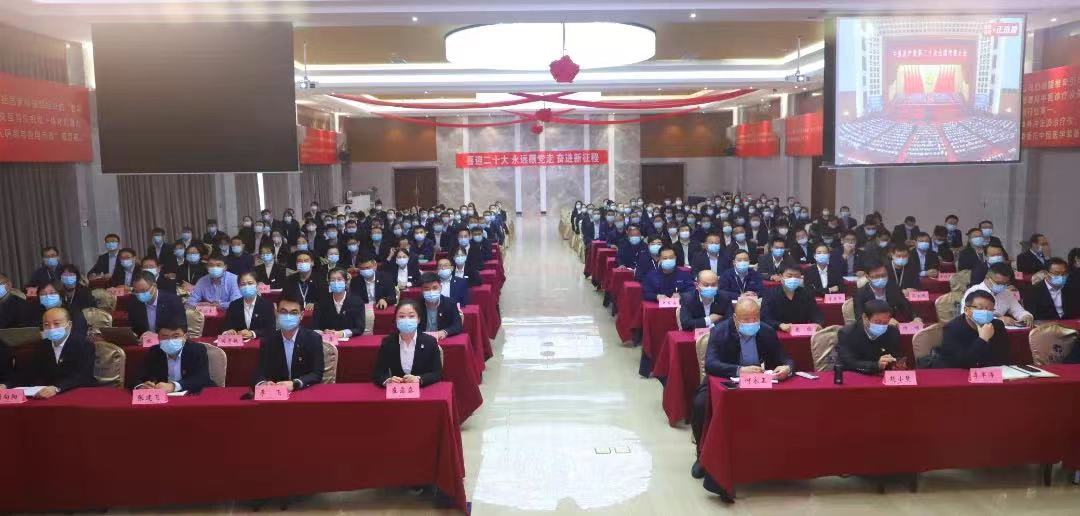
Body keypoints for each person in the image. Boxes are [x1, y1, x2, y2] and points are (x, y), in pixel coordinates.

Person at [690, 298, 793, 498]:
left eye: (755, 318)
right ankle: (703, 456)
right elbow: (711, 364)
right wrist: (739, 370)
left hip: (759, 383)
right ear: (735, 319)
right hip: (725, 382)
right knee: (700, 404)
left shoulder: (766, 331)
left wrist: (786, 368)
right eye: (746, 319)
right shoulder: (720, 331)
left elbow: (785, 358)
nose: (751, 323)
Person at [15, 307, 95, 398]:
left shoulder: (84, 345)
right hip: (46, 394)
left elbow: (83, 375)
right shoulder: (41, 346)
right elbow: (31, 373)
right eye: (46, 324)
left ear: (69, 325)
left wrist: (57, 388)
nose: (51, 328)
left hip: (76, 393)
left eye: (56, 324)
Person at [251, 294, 324, 392]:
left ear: (302, 315)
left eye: (294, 313)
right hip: (276, 394)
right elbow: (260, 372)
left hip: (303, 392)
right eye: (283, 312)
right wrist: (263, 383)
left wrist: (296, 383)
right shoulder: (268, 340)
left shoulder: (313, 339)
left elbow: (317, 373)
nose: (288, 316)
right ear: (276, 313)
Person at [373, 300, 443, 387]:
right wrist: (388, 381)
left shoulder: (430, 342)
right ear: (396, 319)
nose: (406, 320)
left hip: (423, 390)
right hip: (398, 391)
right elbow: (378, 373)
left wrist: (420, 379)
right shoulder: (388, 342)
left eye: (411, 316)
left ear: (419, 319)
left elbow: (437, 373)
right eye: (401, 316)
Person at [135, 318, 213, 394]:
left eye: (176, 336)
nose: (170, 340)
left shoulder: (197, 350)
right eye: (165, 337)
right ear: (158, 338)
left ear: (185, 336)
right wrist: (141, 386)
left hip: (192, 395)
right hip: (164, 398)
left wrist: (173, 386)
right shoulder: (154, 351)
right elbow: (137, 377)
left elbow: (202, 378)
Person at [938, 290, 1009, 368]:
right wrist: (983, 339)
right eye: (980, 308)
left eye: (990, 310)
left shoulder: (997, 325)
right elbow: (960, 363)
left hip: (992, 372)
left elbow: (1003, 357)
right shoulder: (952, 329)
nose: (986, 312)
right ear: (966, 310)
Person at [838, 299, 908, 374]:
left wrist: (898, 363)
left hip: (882, 375)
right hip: (856, 375)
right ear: (865, 317)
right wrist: (876, 365)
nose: (881, 326)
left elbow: (897, 355)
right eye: (877, 322)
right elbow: (848, 362)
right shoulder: (848, 333)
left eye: (885, 323)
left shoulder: (892, 331)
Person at [962, 263, 1034, 327]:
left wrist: (1026, 316)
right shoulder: (973, 291)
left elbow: (1018, 310)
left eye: (1005, 284)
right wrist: (998, 320)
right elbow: (965, 315)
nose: (1002, 286)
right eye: (998, 283)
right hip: (976, 329)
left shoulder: (1007, 293)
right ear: (987, 278)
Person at [761, 265, 824, 332]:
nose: (793, 279)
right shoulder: (770, 294)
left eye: (796, 276)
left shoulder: (807, 293)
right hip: (778, 332)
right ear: (781, 277)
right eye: (789, 276)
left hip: (802, 332)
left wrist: (818, 323)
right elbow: (765, 317)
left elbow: (815, 313)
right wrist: (780, 325)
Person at [853, 260, 918, 324]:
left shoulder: (893, 288)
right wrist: (884, 321)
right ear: (867, 277)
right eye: (876, 276)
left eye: (883, 275)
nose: (881, 279)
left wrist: (916, 318)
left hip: (892, 327)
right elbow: (860, 319)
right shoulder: (860, 293)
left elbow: (906, 307)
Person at [128, 272, 186, 337]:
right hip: (144, 341)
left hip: (167, 340)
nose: (140, 295)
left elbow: (180, 329)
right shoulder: (134, 303)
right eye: (136, 292)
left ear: (154, 286)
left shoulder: (173, 301)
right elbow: (133, 328)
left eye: (143, 291)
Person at [314, 268, 366, 340]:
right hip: (327, 340)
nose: (336, 282)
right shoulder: (321, 302)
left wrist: (342, 333)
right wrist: (323, 333)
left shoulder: (357, 301)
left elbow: (359, 328)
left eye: (339, 279)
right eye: (332, 280)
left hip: (350, 340)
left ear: (346, 281)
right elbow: (315, 327)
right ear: (328, 282)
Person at [222, 272, 276, 339]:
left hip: (259, 343)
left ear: (257, 285)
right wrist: (228, 331)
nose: (246, 287)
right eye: (243, 284)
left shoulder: (267, 305)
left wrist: (252, 333)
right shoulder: (234, 305)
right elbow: (227, 326)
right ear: (238, 287)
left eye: (250, 283)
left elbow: (270, 329)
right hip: (239, 343)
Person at [416, 272, 463, 340]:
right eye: (426, 289)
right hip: (422, 340)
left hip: (442, 339)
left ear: (440, 287)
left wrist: (444, 332)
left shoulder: (450, 303)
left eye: (435, 288)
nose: (431, 292)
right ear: (422, 290)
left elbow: (457, 325)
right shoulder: (416, 305)